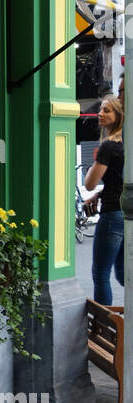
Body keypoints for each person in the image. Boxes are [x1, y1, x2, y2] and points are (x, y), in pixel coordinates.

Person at [86, 93, 125, 305]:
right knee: (122, 274)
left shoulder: (109, 146)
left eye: (106, 110)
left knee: (100, 274)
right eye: (101, 109)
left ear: (118, 116)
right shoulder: (125, 144)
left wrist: (94, 189)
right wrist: (99, 194)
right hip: (125, 214)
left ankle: (104, 327)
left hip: (111, 216)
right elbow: (119, 182)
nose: (100, 113)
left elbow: (89, 183)